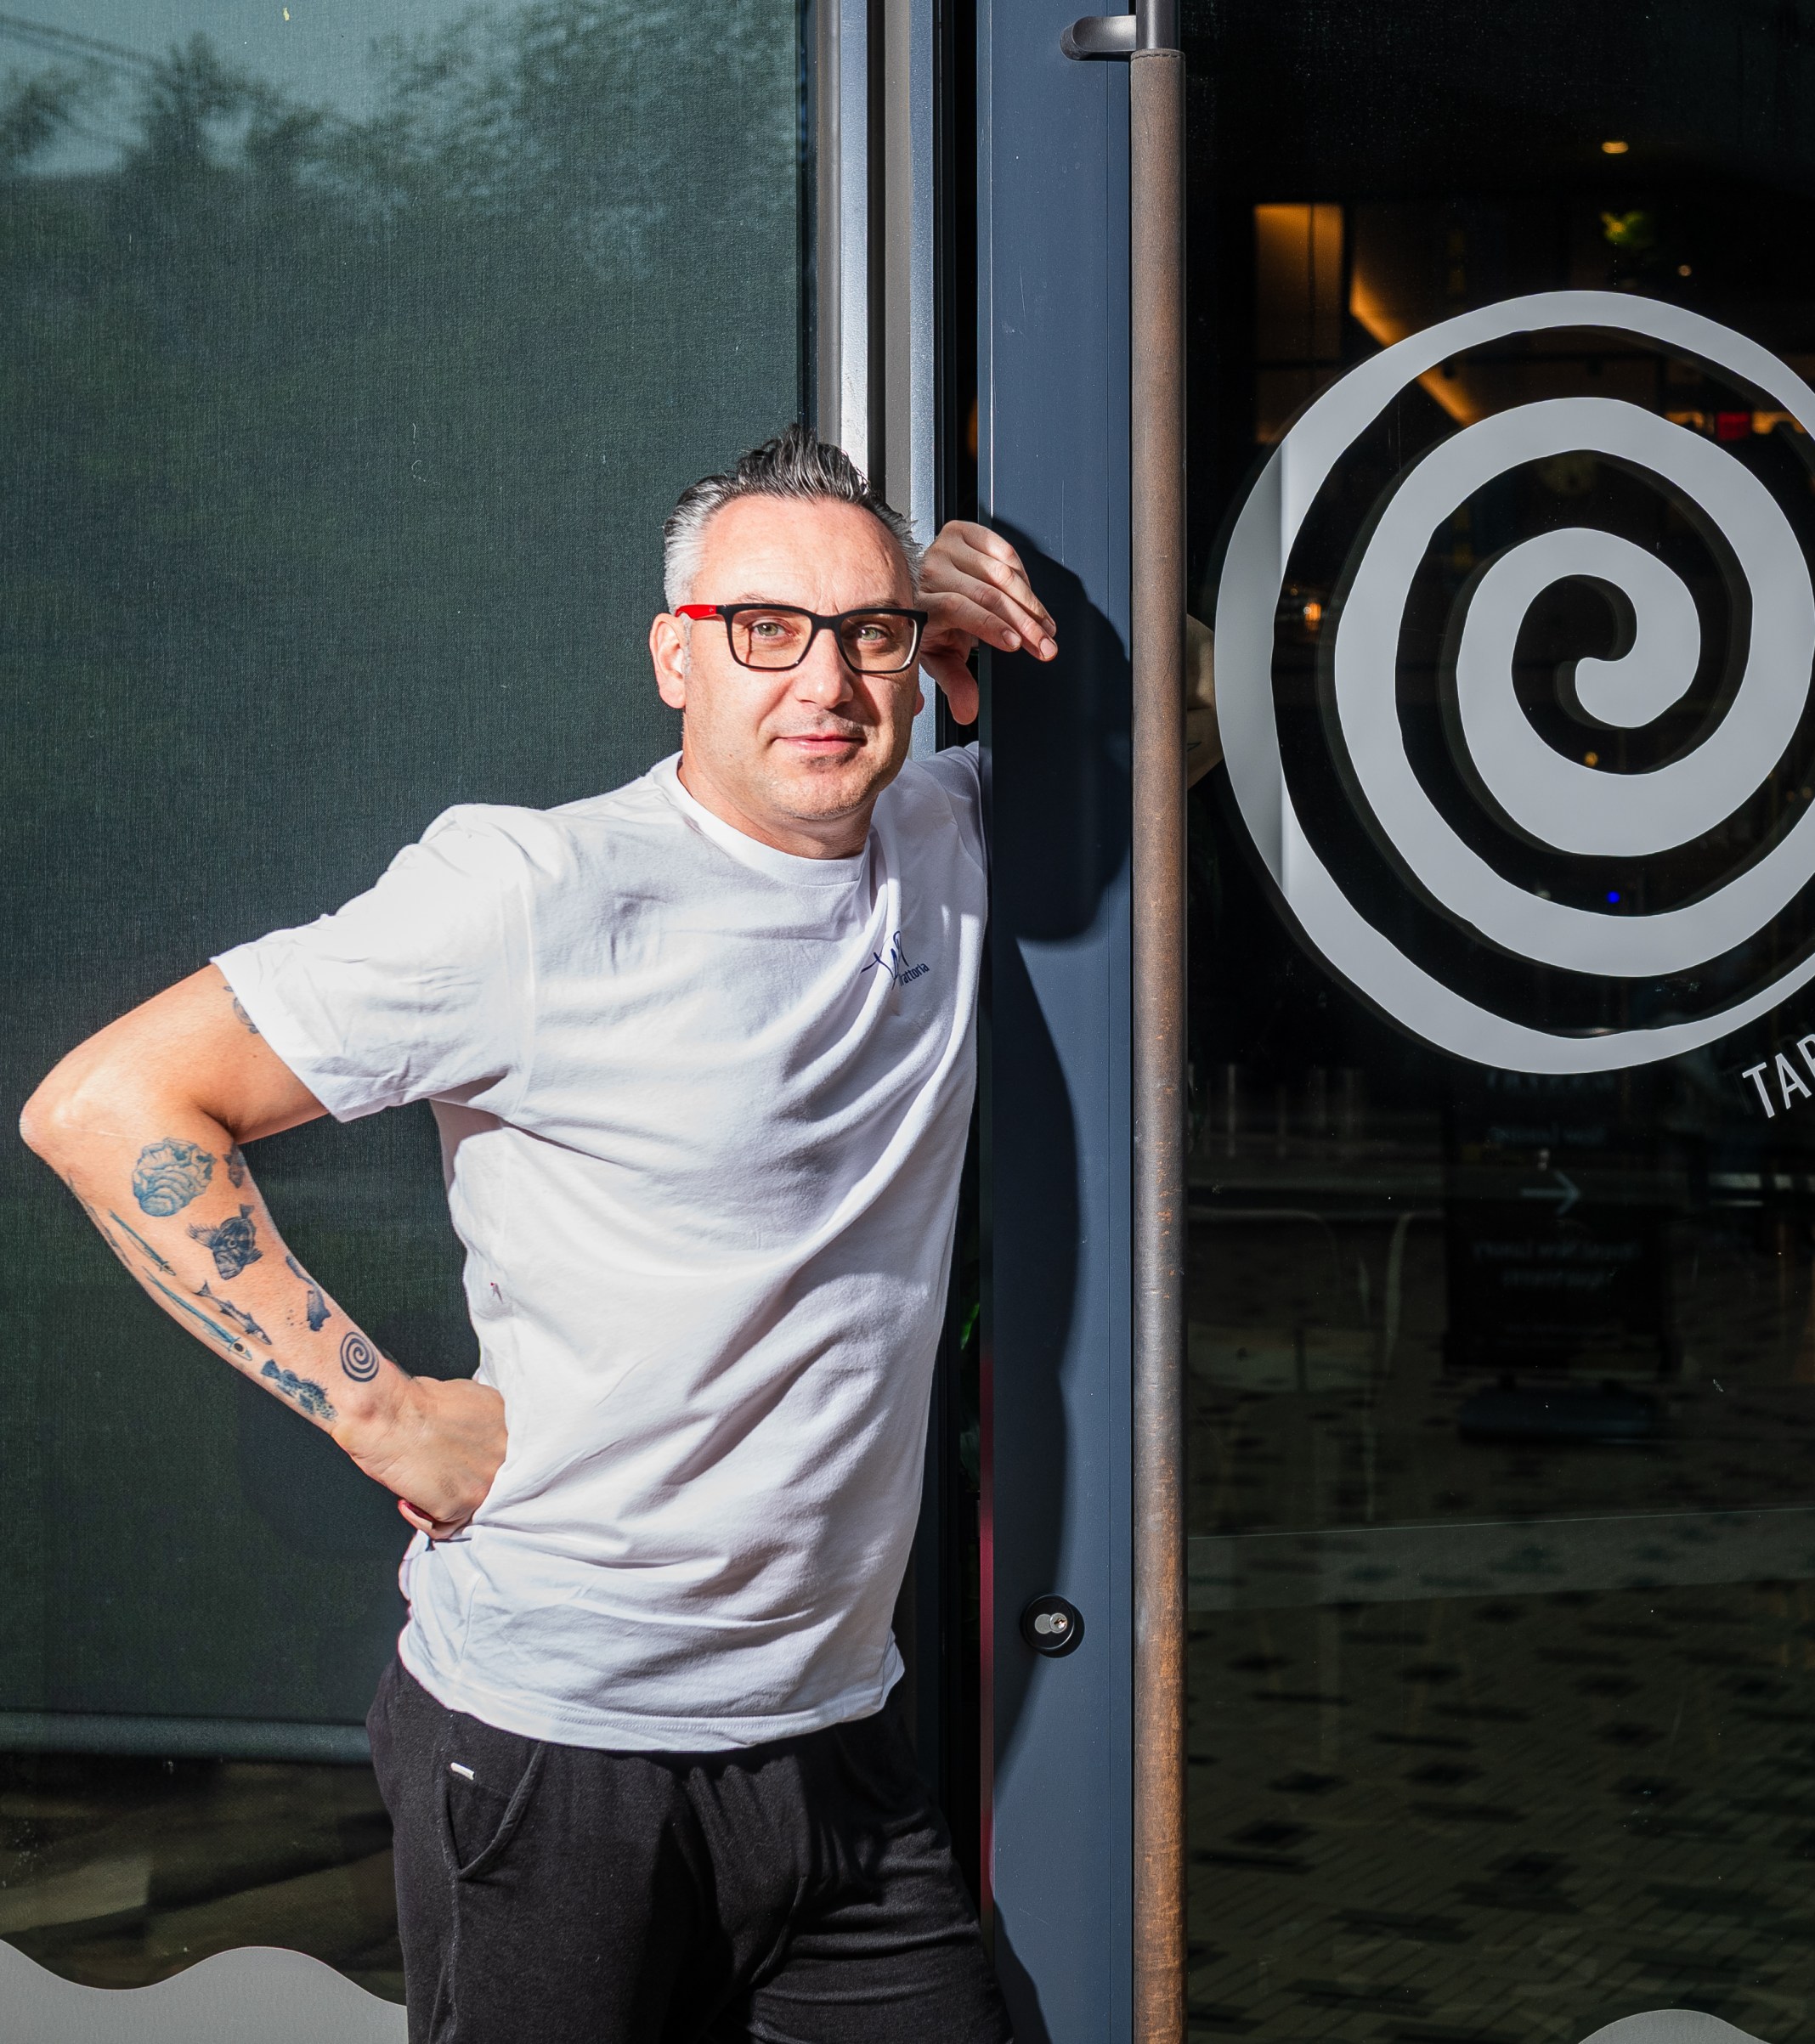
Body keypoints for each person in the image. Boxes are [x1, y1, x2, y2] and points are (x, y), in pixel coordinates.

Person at [18, 428, 1133, 2043]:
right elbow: (110, 1105)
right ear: (676, 655)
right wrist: (380, 1412)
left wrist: (1039, 633)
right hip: (558, 1750)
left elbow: (1194, 720)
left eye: (868, 631)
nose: (823, 680)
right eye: (767, 628)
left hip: (839, 1739)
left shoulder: (945, 844)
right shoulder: (535, 893)